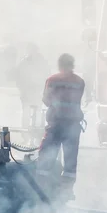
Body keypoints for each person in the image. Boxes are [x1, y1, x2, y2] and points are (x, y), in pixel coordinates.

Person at [36, 53, 85, 202]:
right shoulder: (80, 82)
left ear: (59, 64)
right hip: (73, 125)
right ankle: (66, 191)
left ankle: (42, 189)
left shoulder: (52, 80)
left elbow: (46, 100)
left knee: (46, 156)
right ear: (72, 64)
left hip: (56, 124)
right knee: (70, 160)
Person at [15, 43, 50, 129]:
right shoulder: (24, 62)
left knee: (37, 112)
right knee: (27, 112)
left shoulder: (42, 62)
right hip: (27, 91)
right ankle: (26, 131)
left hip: (37, 91)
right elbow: (19, 77)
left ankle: (35, 131)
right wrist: (22, 89)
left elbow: (46, 76)